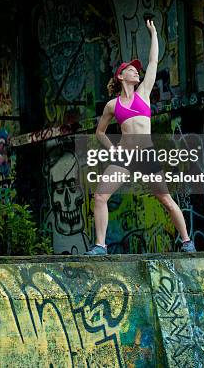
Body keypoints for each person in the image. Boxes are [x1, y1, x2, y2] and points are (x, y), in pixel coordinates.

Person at [84, 19, 196, 255]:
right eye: (131, 70)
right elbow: (100, 132)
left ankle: (186, 241)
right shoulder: (112, 105)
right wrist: (111, 150)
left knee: (165, 199)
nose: (137, 71)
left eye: (137, 69)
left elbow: (154, 60)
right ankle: (100, 246)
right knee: (100, 196)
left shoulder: (143, 93)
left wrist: (154, 33)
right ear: (121, 76)